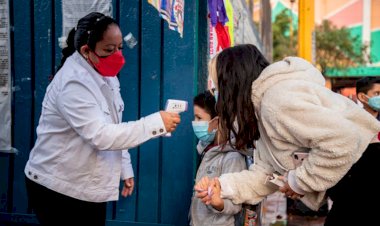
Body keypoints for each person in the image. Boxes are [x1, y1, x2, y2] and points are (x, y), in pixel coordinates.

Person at [194, 44, 380, 225]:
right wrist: (223, 186)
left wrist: (298, 181)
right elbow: (266, 174)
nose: (217, 95)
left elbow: (343, 139)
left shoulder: (276, 101)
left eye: (218, 86)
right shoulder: (263, 109)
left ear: (233, 84)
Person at [24, 12, 180, 226]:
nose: (118, 55)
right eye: (109, 49)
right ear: (86, 50)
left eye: (120, 48)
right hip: (58, 186)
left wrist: (124, 167)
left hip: (85, 185)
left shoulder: (104, 73)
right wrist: (155, 124)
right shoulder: (73, 83)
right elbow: (101, 135)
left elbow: (113, 123)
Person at [190, 90, 248, 226]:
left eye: (199, 118)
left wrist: (217, 203)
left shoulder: (233, 157)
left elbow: (235, 205)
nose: (195, 123)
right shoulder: (206, 151)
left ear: (216, 121)